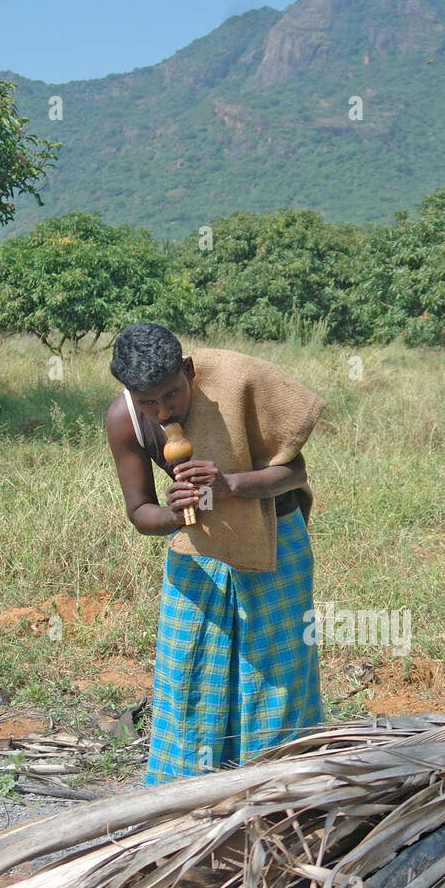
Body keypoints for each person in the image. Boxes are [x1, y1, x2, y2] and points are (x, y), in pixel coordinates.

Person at [106, 322, 326, 782]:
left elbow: (296, 473)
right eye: (149, 402)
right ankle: (188, 797)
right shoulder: (125, 419)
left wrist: (231, 485)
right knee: (191, 672)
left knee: (273, 676)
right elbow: (140, 512)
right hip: (197, 546)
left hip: (274, 541)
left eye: (171, 394)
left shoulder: (234, 386)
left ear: (188, 369)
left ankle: (276, 791)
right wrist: (175, 512)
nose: (163, 410)